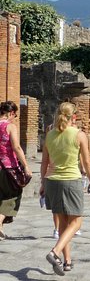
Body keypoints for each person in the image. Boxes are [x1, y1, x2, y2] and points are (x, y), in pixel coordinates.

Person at [41, 102, 90, 275]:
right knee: (76, 222)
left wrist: (42, 183)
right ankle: (55, 251)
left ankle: (67, 261)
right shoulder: (79, 135)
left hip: (51, 181)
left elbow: (44, 162)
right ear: (74, 117)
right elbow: (86, 162)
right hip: (70, 181)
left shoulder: (50, 134)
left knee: (64, 223)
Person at [0, 101, 32, 240]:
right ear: (11, 113)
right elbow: (16, 147)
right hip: (8, 167)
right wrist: (25, 166)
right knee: (13, 196)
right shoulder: (10, 126)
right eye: (15, 115)